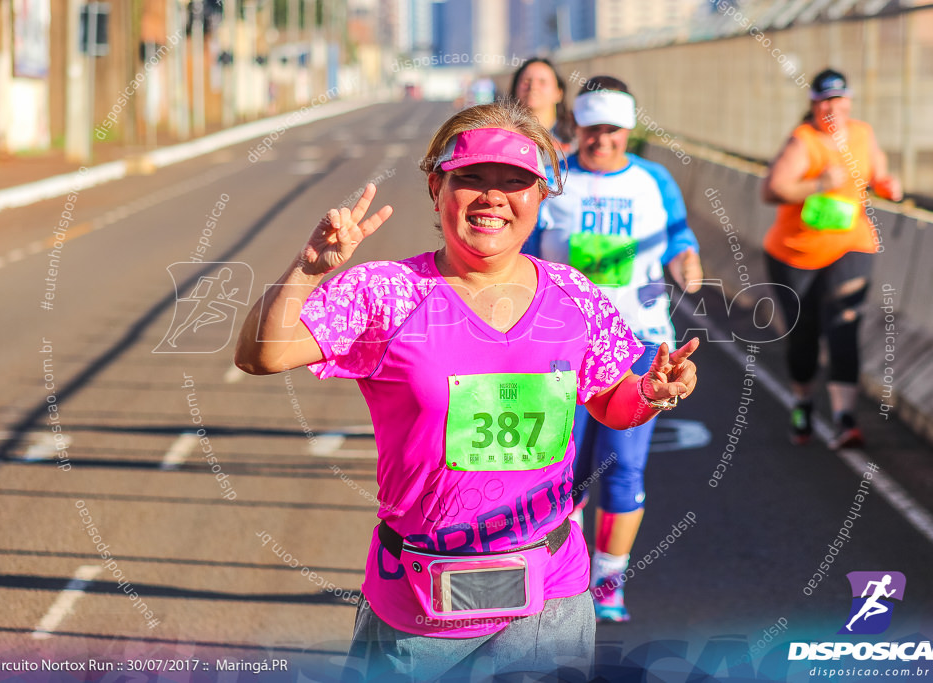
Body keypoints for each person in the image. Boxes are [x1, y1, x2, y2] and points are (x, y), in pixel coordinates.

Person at [233, 100, 699, 680]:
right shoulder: (388, 293)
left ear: (542, 195)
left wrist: (653, 391)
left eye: (515, 182)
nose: (492, 197)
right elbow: (260, 354)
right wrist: (307, 269)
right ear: (437, 188)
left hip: (549, 596)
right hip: (419, 606)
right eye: (470, 179)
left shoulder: (573, 296)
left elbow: (611, 401)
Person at [532, 75, 704, 623]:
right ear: (576, 126)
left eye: (612, 130)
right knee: (564, 469)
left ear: (628, 129)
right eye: (591, 129)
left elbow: (679, 236)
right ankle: (566, 571)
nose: (601, 140)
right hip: (563, 347)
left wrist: (687, 264)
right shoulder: (555, 180)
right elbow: (526, 250)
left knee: (625, 468)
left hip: (641, 343)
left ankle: (609, 579)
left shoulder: (654, 179)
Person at [762, 68, 902, 450]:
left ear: (849, 102)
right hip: (795, 253)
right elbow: (772, 189)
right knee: (803, 337)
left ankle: (845, 420)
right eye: (826, 101)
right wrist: (819, 183)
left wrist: (888, 184)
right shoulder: (803, 141)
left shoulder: (862, 133)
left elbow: (878, 171)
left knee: (844, 327)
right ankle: (803, 403)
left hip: (850, 245)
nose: (833, 108)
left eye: (840, 100)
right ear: (813, 104)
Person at [508, 57, 575, 152]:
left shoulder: (576, 137)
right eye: (526, 81)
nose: (533, 87)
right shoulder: (504, 137)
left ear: (559, 93)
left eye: (542, 82)